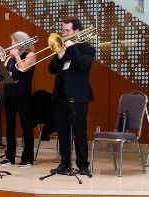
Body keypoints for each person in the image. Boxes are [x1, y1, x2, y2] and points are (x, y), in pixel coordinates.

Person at [48, 17, 95, 176]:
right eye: (64, 30)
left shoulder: (87, 48)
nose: (64, 33)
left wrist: (72, 47)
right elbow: (51, 69)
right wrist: (60, 55)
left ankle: (83, 166)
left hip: (78, 96)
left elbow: (82, 65)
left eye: (67, 31)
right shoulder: (63, 48)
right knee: (62, 132)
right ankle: (65, 164)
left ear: (77, 31)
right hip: (61, 96)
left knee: (79, 131)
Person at [0, 31, 36, 168]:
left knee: (26, 127)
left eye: (13, 41)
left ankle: (28, 158)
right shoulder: (10, 57)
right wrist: (7, 59)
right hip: (9, 94)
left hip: (23, 95)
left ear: (21, 41)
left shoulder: (30, 55)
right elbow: (4, 74)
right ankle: (10, 157)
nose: (11, 44)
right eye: (11, 41)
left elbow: (22, 68)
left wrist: (16, 55)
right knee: (10, 127)